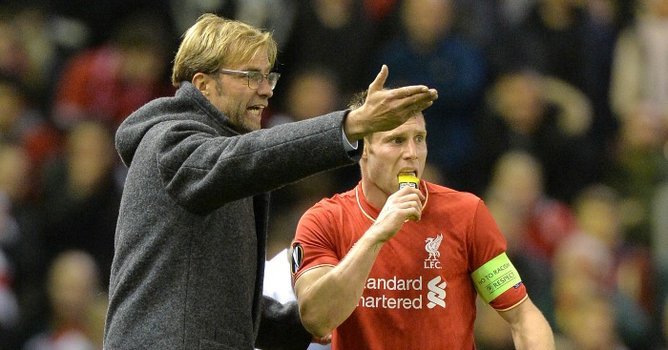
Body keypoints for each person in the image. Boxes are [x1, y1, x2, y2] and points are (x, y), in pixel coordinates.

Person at [103, 13, 437, 350]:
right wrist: (350, 125)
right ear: (204, 84)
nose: (265, 91)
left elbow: (213, 298)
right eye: (250, 77)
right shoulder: (168, 142)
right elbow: (245, 158)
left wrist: (295, 326)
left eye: (268, 77)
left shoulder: (224, 159)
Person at [290, 92, 554, 349]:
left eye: (419, 138)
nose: (412, 153)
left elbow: (522, 315)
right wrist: (376, 234)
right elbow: (317, 319)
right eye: (396, 141)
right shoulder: (323, 220)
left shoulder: (465, 214)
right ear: (363, 147)